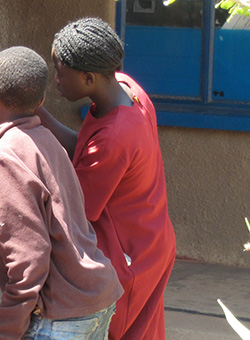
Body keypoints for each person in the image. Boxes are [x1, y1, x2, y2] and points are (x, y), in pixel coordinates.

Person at [36, 18, 177, 340]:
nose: (56, 81)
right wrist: (39, 114)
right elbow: (86, 150)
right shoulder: (125, 89)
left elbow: (77, 209)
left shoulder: (114, 139)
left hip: (128, 259)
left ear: (88, 78)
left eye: (61, 73)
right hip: (151, 239)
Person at [0, 46, 123, 340]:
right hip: (97, 295)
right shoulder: (47, 139)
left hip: (62, 316)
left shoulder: (3, 156)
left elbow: (29, 257)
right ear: (42, 101)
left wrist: (0, 331)